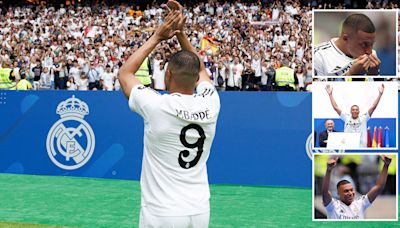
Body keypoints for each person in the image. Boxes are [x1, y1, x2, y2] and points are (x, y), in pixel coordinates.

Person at [118, 3, 219, 227]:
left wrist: (157, 37)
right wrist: (181, 33)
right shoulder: (211, 103)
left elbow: (125, 73)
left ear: (167, 74)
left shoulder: (156, 105)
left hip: (162, 212)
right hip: (200, 209)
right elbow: (200, 69)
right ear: (196, 80)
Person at [322, 155, 392, 219]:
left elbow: (378, 187)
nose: (350, 193)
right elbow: (325, 191)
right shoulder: (332, 206)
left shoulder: (360, 203)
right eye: (346, 191)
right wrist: (329, 170)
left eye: (351, 190)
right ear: (338, 193)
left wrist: (386, 165)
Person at [314, 14, 380, 76]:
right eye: (364, 44)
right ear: (345, 38)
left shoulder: (372, 55)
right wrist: (351, 74)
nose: (369, 51)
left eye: (372, 44)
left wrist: (373, 75)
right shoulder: (318, 56)